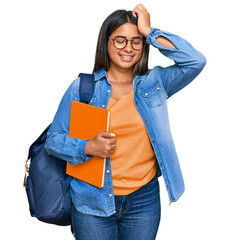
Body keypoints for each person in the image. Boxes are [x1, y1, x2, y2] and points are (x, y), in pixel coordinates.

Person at [44, 4, 206, 240]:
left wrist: (149, 31)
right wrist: (87, 147)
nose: (128, 48)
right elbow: (53, 140)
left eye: (136, 41)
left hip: (144, 199)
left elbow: (195, 61)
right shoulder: (83, 88)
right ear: (106, 42)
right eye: (120, 40)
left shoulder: (155, 83)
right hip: (92, 201)